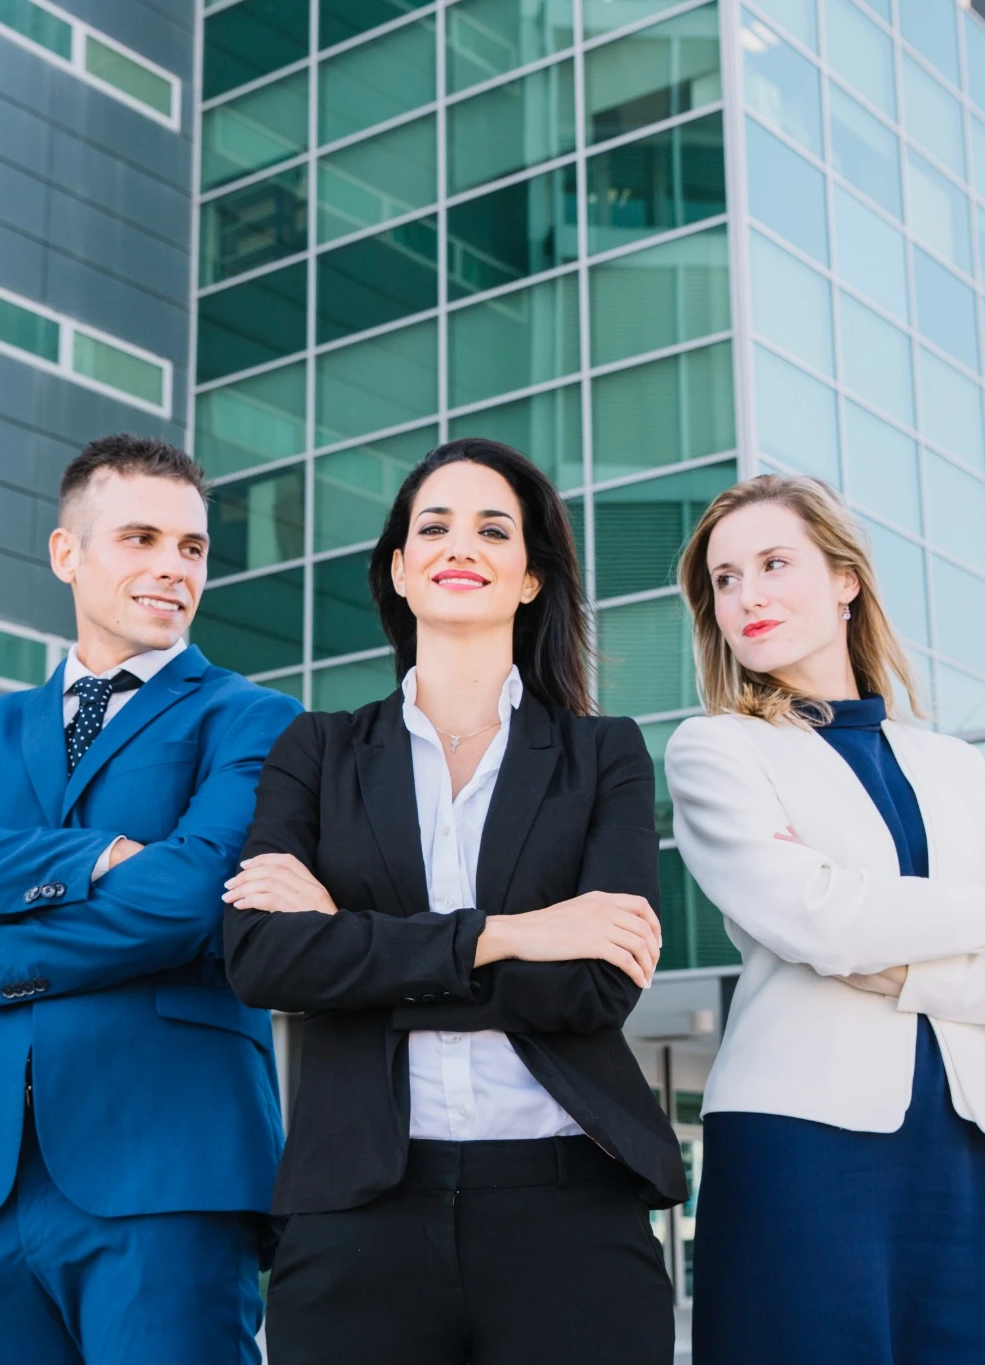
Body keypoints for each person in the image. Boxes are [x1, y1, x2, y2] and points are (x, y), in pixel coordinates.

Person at [220, 439, 686, 1365]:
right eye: (433, 526)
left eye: (492, 528)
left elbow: (596, 983)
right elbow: (264, 960)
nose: (458, 544)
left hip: (570, 1209)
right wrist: (517, 933)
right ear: (399, 569)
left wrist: (354, 948)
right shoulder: (315, 749)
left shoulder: (604, 755)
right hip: (357, 1211)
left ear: (529, 577)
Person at [0, 435, 300, 1365]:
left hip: (168, 1166)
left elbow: (189, 896)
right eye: (140, 538)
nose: (172, 568)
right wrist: (94, 854)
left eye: (192, 548)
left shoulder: (253, 718)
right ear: (68, 554)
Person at [664, 474, 985, 1364]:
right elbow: (819, 918)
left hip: (964, 1157)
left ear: (845, 577)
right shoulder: (717, 749)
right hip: (797, 1150)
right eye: (726, 579)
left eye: (774, 563)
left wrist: (907, 971)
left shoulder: (959, 765)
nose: (748, 594)